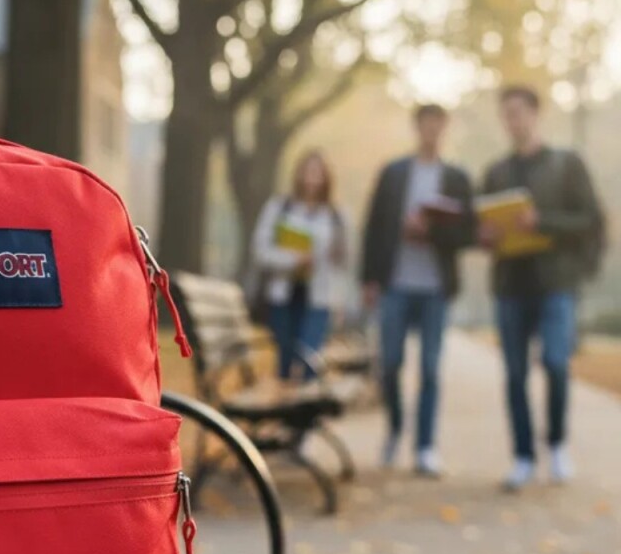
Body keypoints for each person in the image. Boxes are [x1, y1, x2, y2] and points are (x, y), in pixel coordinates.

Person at [482, 85, 604, 491]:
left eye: (518, 112)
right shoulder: (497, 172)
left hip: (555, 284)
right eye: (506, 114)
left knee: (555, 362)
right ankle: (522, 457)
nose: (513, 121)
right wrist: (486, 235)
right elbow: (481, 225)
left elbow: (590, 220)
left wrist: (543, 221)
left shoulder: (566, 164)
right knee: (514, 374)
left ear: (535, 114)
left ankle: (556, 444)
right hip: (510, 284)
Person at [360, 104, 475, 477]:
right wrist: (369, 279)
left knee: (429, 368)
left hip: (435, 289)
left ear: (444, 129)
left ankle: (425, 446)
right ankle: (395, 429)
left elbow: (467, 233)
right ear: (417, 128)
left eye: (437, 126)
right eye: (425, 125)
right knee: (390, 364)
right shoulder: (394, 173)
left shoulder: (457, 177)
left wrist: (432, 232)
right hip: (395, 283)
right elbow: (374, 226)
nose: (431, 132)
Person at [251, 150, 348, 382]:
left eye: (318, 173)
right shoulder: (279, 207)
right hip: (284, 295)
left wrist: (343, 301)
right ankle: (288, 415)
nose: (312, 178)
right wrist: (294, 259)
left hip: (318, 299)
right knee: (284, 361)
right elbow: (260, 250)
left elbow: (344, 264)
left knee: (309, 359)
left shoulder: (335, 215)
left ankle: (304, 417)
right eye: (308, 171)